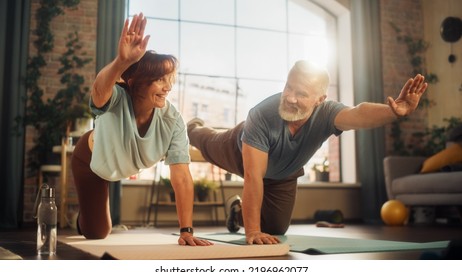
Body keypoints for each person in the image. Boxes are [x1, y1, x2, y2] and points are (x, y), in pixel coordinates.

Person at [187, 60, 428, 245]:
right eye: (288, 87)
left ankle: (236, 210)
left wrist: (393, 111)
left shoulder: (326, 114)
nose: (290, 97)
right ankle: (192, 127)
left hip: (283, 174)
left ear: (319, 99)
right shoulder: (260, 115)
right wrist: (252, 232)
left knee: (276, 229)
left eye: (301, 93)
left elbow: (358, 113)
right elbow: (253, 178)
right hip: (239, 152)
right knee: (207, 141)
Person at [71, 13, 212, 246]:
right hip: (91, 161)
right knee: (97, 232)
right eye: (160, 80)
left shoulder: (172, 120)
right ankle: (84, 216)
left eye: (170, 79)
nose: (168, 87)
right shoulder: (117, 97)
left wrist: (186, 230)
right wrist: (121, 62)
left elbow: (182, 178)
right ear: (138, 82)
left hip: (118, 164)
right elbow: (98, 92)